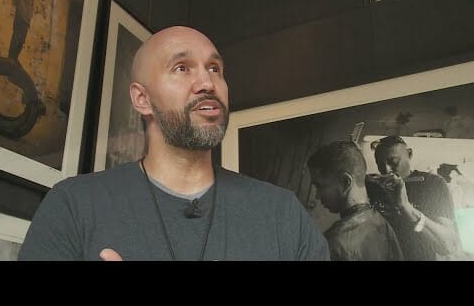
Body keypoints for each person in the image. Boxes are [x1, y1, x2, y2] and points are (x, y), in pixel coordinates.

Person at [18, 26, 330, 261]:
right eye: (182, 68)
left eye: (214, 69)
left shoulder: (283, 215)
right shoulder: (73, 206)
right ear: (142, 99)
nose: (207, 82)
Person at [307, 141, 404, 261]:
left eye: (320, 186)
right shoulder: (382, 224)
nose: (317, 196)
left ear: (345, 182)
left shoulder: (332, 244)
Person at [367, 135, 459, 261]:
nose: (386, 170)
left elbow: (449, 246)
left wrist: (405, 207)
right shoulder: (374, 187)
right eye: (380, 165)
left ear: (409, 154)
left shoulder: (432, 184)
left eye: (393, 162)